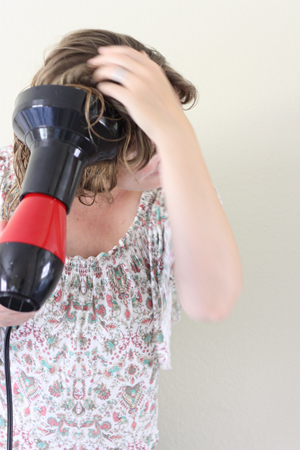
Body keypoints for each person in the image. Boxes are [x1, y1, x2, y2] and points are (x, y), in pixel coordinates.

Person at [0, 29, 242, 450]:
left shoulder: (174, 194)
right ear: (97, 133)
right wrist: (52, 171)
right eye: (143, 130)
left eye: (163, 122)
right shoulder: (7, 181)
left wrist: (178, 137)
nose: (158, 146)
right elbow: (9, 308)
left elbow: (212, 300)